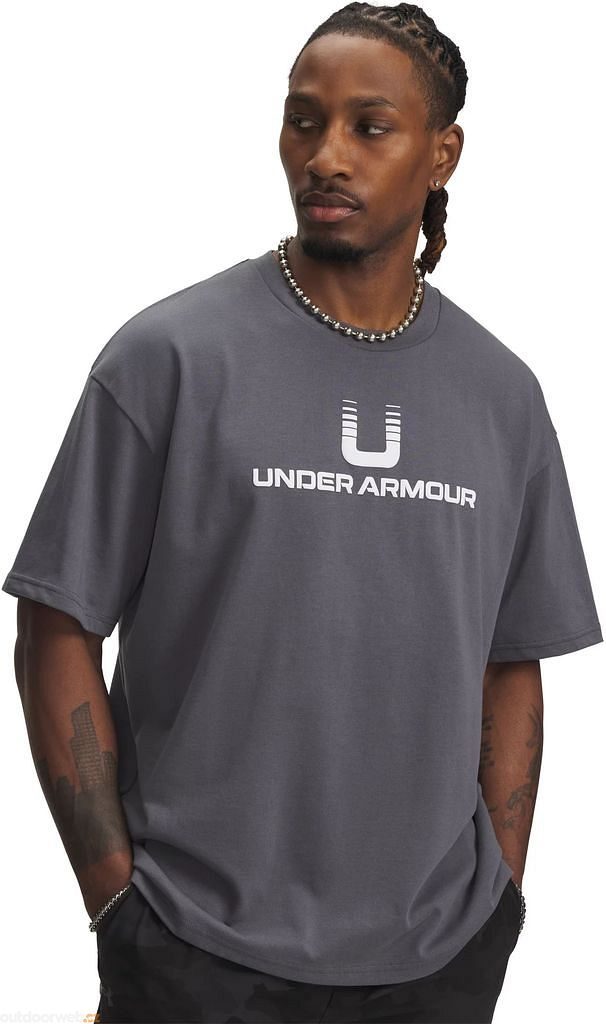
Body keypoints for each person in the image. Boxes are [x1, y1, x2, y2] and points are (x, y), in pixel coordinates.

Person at [3, 3, 603, 1022]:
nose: (326, 156)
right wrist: (116, 898)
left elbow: (514, 662)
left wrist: (498, 899)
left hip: (434, 961)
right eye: (303, 120)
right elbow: (57, 625)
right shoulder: (167, 359)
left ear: (442, 152)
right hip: (191, 946)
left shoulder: (503, 398)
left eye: (371, 126)